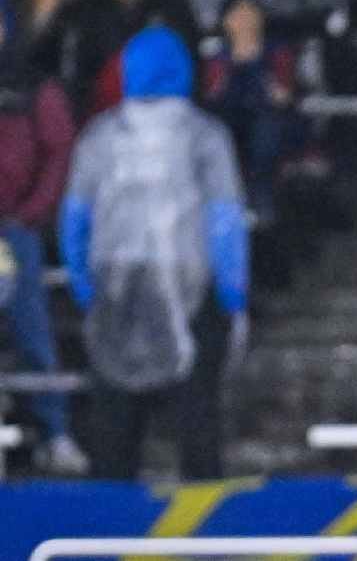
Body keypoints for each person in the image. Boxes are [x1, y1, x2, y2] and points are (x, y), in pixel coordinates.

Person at [59, 26, 249, 480]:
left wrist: (85, 287)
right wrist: (233, 294)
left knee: (114, 430)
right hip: (191, 289)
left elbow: (74, 219)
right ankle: (207, 539)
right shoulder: (205, 136)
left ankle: (104, 538)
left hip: (116, 289)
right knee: (197, 426)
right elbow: (224, 220)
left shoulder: (99, 137)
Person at [0, 0, 88, 475]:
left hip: (15, 232)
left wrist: (31, 214)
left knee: (33, 335)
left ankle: (55, 434)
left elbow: (59, 154)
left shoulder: (33, 87)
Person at [203, 0, 299, 223]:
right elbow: (211, 96)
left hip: (265, 118)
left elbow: (284, 95)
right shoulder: (218, 58)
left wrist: (269, 84)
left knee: (266, 135)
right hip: (229, 118)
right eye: (237, 16)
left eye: (250, 14)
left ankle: (261, 199)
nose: (244, 21)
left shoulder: (276, 53)